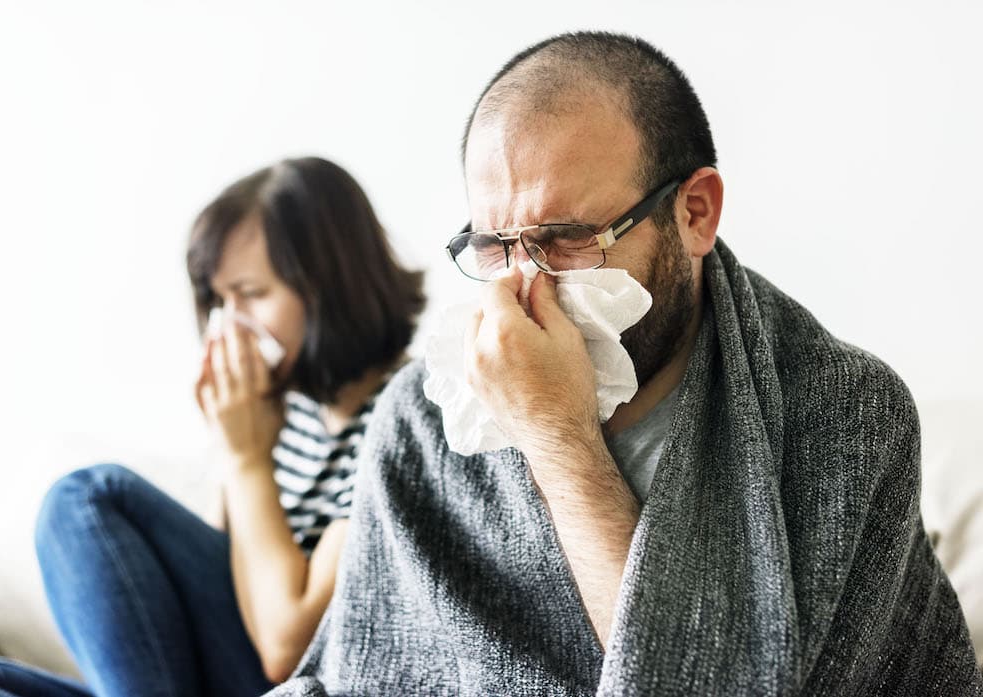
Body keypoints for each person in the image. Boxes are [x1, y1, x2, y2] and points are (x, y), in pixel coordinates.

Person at [268, 32, 983, 696]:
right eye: (497, 246)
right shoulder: (426, 420)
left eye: (567, 238)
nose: (525, 287)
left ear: (696, 213)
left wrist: (558, 434)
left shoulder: (844, 413)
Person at [0, 157, 424, 697]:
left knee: (85, 498)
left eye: (253, 294)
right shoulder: (286, 409)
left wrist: (246, 460)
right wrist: (231, 447)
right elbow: (223, 574)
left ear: (332, 287)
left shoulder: (403, 418)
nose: (229, 322)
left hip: (298, 677)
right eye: (219, 300)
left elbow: (289, 649)